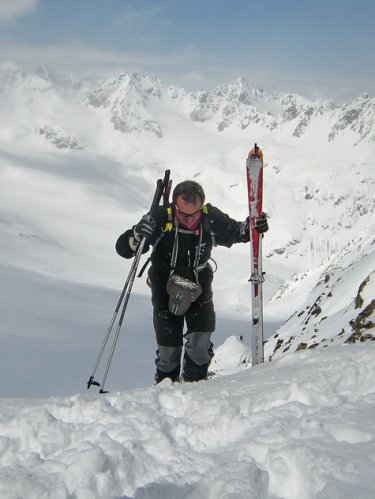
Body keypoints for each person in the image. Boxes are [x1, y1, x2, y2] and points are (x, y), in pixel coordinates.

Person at [115, 180, 268, 383]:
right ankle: (166, 392)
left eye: (194, 214)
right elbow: (124, 249)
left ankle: (195, 390)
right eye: (183, 214)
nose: (189, 219)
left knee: (201, 344)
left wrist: (254, 226)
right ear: (174, 206)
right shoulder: (160, 217)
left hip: (199, 285)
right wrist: (136, 235)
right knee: (169, 350)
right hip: (164, 286)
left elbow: (237, 232)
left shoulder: (210, 217)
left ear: (202, 206)